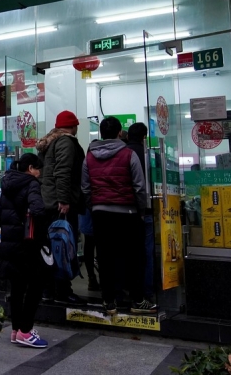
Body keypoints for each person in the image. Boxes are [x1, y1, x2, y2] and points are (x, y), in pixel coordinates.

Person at [81, 116, 155, 315]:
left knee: (105, 257)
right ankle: (137, 301)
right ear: (120, 133)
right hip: (127, 213)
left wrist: (95, 206)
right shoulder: (129, 154)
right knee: (133, 257)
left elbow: (85, 188)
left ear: (101, 133)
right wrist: (140, 211)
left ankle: (109, 301)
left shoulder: (89, 157)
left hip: (100, 214)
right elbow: (139, 187)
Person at [0, 153, 50, 348]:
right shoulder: (31, 183)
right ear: (30, 169)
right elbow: (38, 210)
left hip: (9, 243)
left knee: (17, 288)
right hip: (27, 245)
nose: (39, 173)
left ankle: (16, 330)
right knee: (35, 285)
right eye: (38, 169)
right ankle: (26, 331)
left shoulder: (7, 184)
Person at [36, 110, 85, 304]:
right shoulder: (66, 142)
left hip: (49, 201)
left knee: (51, 247)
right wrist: (64, 200)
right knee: (63, 247)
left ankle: (48, 290)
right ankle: (62, 291)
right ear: (73, 126)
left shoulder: (50, 143)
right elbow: (63, 172)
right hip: (60, 204)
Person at [126, 122, 153, 300]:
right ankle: (146, 291)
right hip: (144, 209)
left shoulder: (122, 153)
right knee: (146, 251)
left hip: (124, 209)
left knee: (125, 252)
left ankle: (126, 289)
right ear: (144, 137)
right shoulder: (147, 154)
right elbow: (142, 186)